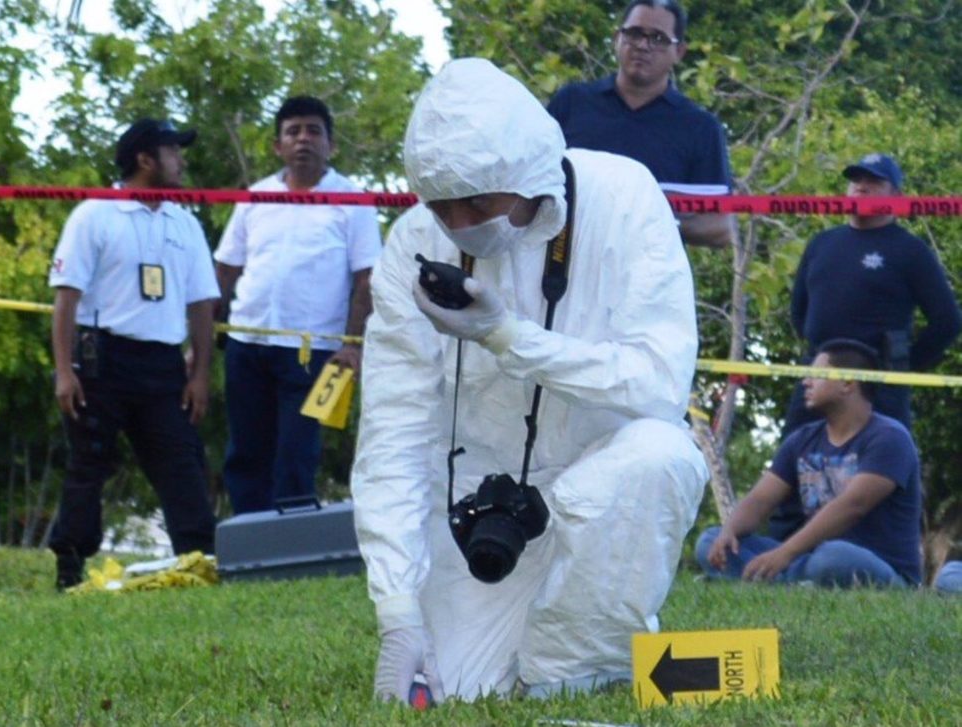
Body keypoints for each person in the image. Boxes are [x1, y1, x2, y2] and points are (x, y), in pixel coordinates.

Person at [351, 58, 708, 703]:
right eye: (442, 206)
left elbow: (659, 384)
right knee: (457, 691)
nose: (459, 224)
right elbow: (393, 430)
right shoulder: (413, 241)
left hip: (600, 494)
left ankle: (575, 668)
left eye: (476, 203)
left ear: (530, 173)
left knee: (660, 456)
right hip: (477, 520)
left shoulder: (624, 196)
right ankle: (584, 657)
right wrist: (397, 610)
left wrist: (508, 338)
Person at [48, 118, 220, 590]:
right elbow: (66, 297)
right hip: (102, 357)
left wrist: (200, 372)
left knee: (181, 461)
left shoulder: (184, 222)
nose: (182, 161)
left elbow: (203, 303)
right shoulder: (94, 214)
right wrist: (64, 371)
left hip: (164, 364)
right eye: (172, 151)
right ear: (146, 160)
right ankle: (70, 567)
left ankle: (199, 560)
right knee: (90, 463)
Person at [770, 153, 961, 539]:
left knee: (883, 465)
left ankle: (877, 557)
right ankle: (777, 553)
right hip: (819, 373)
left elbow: (947, 320)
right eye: (855, 180)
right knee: (794, 457)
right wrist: (820, 359)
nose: (861, 187)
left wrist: (901, 366)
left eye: (873, 182)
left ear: (896, 195)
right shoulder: (823, 243)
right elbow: (799, 312)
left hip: (878, 383)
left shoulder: (909, 250)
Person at [213, 96, 381, 514]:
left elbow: (368, 280)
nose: (303, 139)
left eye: (313, 131)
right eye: (293, 131)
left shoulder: (353, 200)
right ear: (277, 146)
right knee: (245, 452)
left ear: (331, 144)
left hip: (317, 353)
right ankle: (249, 544)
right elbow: (224, 271)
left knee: (296, 454)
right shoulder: (255, 196)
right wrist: (200, 341)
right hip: (245, 344)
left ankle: (289, 549)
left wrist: (353, 344)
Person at [696, 339, 923, 588]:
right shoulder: (802, 440)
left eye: (816, 375)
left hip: (876, 567)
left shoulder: (890, 438)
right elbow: (760, 500)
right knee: (710, 540)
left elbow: (853, 505)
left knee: (833, 557)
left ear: (847, 382)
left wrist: (785, 553)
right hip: (807, 558)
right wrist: (730, 531)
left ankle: (774, 581)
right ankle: (793, 582)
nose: (806, 382)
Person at [546, 0, 735, 248]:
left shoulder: (700, 127)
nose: (644, 46)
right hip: (561, 268)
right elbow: (530, 180)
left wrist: (649, 220)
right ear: (617, 38)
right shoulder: (571, 102)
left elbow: (721, 227)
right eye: (634, 33)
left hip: (647, 275)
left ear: (679, 52)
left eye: (658, 38)